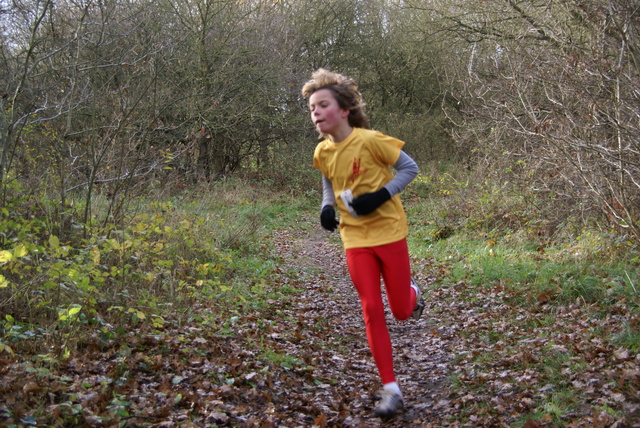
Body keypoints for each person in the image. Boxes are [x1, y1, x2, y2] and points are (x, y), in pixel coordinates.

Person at [301, 68, 423, 419]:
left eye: (323, 105)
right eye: (312, 108)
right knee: (371, 308)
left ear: (344, 110)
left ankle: (412, 294)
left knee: (400, 311)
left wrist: (380, 196)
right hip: (354, 237)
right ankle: (391, 389)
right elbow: (329, 180)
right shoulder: (322, 151)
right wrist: (327, 207)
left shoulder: (370, 140)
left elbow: (409, 168)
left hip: (388, 231)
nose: (316, 112)